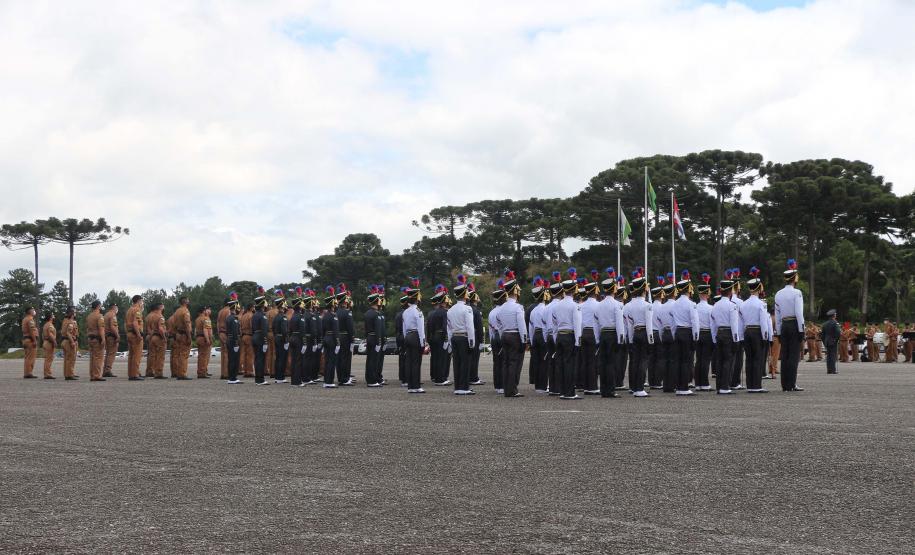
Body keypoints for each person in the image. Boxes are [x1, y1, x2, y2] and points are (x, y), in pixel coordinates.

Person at [550, 268, 583, 400]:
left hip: (560, 336)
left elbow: (554, 325)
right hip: (570, 336)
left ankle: (563, 391)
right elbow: (577, 325)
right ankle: (569, 392)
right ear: (574, 290)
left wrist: (555, 338)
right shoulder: (575, 306)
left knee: (561, 365)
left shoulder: (556, 306)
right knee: (570, 365)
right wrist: (577, 341)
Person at [774, 259, 805, 392]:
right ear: (794, 278)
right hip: (794, 324)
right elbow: (799, 313)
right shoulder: (797, 293)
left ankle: (784, 385)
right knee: (793, 356)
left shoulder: (778, 294)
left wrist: (778, 331)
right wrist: (801, 329)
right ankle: (792, 384)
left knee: (785, 356)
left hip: (784, 326)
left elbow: (778, 314)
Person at [622, 268, 653, 397]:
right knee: (643, 361)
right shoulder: (647, 305)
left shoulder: (627, 305)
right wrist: (651, 340)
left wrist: (629, 339)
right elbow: (649, 324)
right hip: (645, 333)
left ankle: (634, 387)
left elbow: (628, 325)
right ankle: (640, 388)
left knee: (634, 360)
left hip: (634, 333)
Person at [595, 268, 624, 398]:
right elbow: (619, 324)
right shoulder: (617, 305)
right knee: (611, 363)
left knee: (603, 362)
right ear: (614, 289)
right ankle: (611, 390)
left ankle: (603, 390)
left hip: (603, 334)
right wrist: (620, 340)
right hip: (613, 334)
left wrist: (597, 339)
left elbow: (596, 324)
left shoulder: (599, 305)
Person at [740, 267, 771, 393]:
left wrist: (741, 336)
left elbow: (741, 322)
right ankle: (757, 385)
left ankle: (750, 385)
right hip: (758, 332)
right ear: (759, 288)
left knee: (749, 359)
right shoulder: (761, 304)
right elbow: (763, 322)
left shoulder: (743, 304)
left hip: (747, 332)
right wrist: (765, 337)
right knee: (758, 358)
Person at [498, 270, 527, 398]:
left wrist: (502, 333)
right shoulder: (518, 307)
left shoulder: (502, 307)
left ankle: (506, 389)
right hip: (515, 336)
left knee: (506, 363)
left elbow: (498, 322)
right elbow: (522, 325)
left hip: (504, 335)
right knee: (515, 363)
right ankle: (513, 390)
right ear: (515, 291)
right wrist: (524, 340)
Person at [670, 270, 699, 396]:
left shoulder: (674, 304)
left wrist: (673, 334)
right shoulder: (691, 304)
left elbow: (672, 323)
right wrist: (695, 337)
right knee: (686, 361)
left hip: (677, 332)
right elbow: (695, 322)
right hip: (687, 333)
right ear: (688, 288)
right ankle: (684, 387)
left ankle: (678, 386)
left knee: (678, 360)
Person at [446, 274, 476, 395]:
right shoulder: (467, 309)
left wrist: (449, 341)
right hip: (464, 338)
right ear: (464, 294)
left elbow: (448, 327)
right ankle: (464, 387)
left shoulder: (450, 309)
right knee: (465, 363)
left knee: (457, 363)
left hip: (454, 337)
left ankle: (458, 387)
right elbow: (470, 326)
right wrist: (472, 341)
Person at [711, 278, 739, 394]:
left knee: (719, 360)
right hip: (728, 334)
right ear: (730, 291)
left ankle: (719, 386)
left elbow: (712, 323)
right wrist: (736, 340)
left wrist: (714, 338)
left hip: (719, 333)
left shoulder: (715, 305)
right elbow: (734, 324)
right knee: (728, 360)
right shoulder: (732, 305)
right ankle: (725, 386)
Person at [578, 272, 601, 395]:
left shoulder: (581, 306)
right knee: (592, 361)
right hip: (593, 333)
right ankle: (592, 387)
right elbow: (599, 323)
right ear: (595, 291)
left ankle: (585, 385)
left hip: (583, 332)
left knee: (585, 360)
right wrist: (598, 338)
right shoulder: (598, 305)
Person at [401, 278, 426, 393]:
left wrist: (405, 338)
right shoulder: (418, 311)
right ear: (417, 298)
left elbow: (404, 328)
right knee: (416, 362)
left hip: (408, 336)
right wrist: (423, 342)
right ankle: (416, 386)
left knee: (409, 362)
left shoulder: (405, 312)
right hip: (416, 336)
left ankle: (410, 386)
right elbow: (421, 328)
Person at [528, 276, 551, 393]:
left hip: (535, 335)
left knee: (537, 361)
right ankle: (543, 385)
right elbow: (548, 326)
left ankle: (538, 386)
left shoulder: (533, 310)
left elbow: (530, 327)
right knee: (544, 361)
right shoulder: (546, 309)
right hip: (542, 335)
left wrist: (531, 341)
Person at [693, 274, 714, 391]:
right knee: (705, 360)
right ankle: (704, 383)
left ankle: (697, 383)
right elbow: (712, 324)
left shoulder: (695, 306)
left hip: (697, 334)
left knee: (699, 359)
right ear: (707, 294)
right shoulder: (710, 308)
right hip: (707, 334)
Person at [427, 285, 451, 386]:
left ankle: (436, 377)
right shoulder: (445, 312)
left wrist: (430, 337)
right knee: (442, 358)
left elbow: (430, 327)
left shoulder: (433, 313)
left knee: (436, 358)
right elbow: (446, 327)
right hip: (441, 336)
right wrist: (446, 339)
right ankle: (441, 379)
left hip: (434, 337)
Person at [364, 286, 387, 388]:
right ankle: (372, 380)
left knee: (370, 360)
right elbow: (378, 329)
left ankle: (370, 378)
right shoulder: (375, 314)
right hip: (375, 339)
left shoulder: (368, 313)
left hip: (370, 337)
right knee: (374, 360)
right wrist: (379, 342)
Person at [648, 277, 667, 390]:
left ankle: (651, 381)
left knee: (651, 359)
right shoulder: (662, 307)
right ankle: (658, 381)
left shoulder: (649, 306)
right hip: (659, 334)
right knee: (660, 359)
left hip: (651, 333)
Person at [335, 285, 356, 386]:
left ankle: (341, 378)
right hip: (346, 337)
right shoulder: (347, 313)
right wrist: (352, 339)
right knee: (346, 359)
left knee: (339, 359)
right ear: (345, 301)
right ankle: (345, 378)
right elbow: (350, 328)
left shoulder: (336, 312)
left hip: (338, 337)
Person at [321, 287, 342, 388]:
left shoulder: (325, 316)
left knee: (327, 361)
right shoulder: (334, 316)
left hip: (326, 338)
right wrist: (338, 343)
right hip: (332, 339)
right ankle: (329, 382)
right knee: (332, 361)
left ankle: (326, 381)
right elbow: (336, 331)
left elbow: (322, 330)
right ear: (332, 304)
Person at [489, 284, 507, 394]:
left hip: (494, 337)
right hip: (501, 336)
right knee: (504, 361)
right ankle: (502, 385)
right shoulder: (503, 311)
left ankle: (497, 385)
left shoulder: (491, 312)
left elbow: (491, 330)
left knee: (496, 362)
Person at [467, 284, 485, 387]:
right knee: (474, 358)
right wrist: (482, 340)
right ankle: (474, 378)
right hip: (474, 336)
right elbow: (479, 327)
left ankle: (469, 377)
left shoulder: (466, 308)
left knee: (469, 359)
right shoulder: (476, 311)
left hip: (466, 336)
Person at [251, 292, 270, 385]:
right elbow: (264, 330)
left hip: (255, 336)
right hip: (260, 338)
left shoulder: (254, 315)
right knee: (260, 359)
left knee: (257, 359)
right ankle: (260, 379)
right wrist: (265, 342)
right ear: (262, 305)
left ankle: (257, 379)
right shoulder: (262, 316)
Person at [172, 297, 193, 380]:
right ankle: (182, 374)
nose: (189, 301)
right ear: (185, 302)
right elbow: (187, 324)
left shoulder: (177, 311)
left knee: (180, 354)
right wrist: (189, 336)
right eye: (188, 300)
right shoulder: (185, 311)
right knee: (184, 355)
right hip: (184, 334)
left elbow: (173, 324)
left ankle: (179, 373)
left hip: (178, 334)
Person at [145, 302, 167, 379]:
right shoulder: (160, 316)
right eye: (163, 307)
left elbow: (148, 328)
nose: (164, 308)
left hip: (150, 336)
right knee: (160, 356)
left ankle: (150, 371)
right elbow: (161, 329)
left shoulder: (149, 316)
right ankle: (158, 373)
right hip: (158, 337)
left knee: (151, 355)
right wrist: (164, 338)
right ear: (160, 307)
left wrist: (150, 336)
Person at [85, 300, 106, 381]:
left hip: (90, 338)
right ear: (98, 306)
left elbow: (87, 328)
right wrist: (103, 339)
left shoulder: (89, 316)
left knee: (92, 358)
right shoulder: (99, 316)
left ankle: (92, 375)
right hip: (97, 339)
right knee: (98, 358)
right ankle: (97, 375)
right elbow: (101, 329)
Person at [216, 294, 236, 379]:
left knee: (223, 354)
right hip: (227, 333)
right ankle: (227, 373)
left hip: (221, 333)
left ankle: (223, 373)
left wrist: (219, 333)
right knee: (228, 354)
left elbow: (217, 323)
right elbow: (229, 323)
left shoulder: (220, 311)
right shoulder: (228, 311)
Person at [125, 295, 145, 380]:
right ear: (139, 301)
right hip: (135, 334)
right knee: (137, 355)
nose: (142, 303)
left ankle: (131, 374)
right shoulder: (137, 310)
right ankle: (135, 375)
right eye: (142, 301)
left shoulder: (129, 310)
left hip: (129, 334)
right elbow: (135, 323)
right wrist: (139, 335)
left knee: (131, 356)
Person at [289, 295, 307, 387]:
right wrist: (304, 343)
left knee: (294, 360)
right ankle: (297, 382)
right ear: (299, 306)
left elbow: (290, 330)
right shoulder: (301, 316)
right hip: (298, 339)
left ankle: (293, 381)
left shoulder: (292, 316)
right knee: (298, 361)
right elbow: (303, 330)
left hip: (292, 338)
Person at [226, 301, 243, 384]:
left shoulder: (228, 317)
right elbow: (235, 331)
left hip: (229, 339)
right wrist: (236, 342)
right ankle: (233, 378)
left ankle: (231, 377)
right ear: (235, 307)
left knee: (231, 359)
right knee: (234, 360)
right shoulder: (234, 318)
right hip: (233, 340)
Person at [60, 306, 79, 380]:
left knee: (67, 359)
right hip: (69, 341)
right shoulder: (70, 322)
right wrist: (72, 342)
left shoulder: (65, 320)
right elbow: (68, 333)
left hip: (65, 341)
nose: (75, 314)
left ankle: (68, 373)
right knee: (71, 359)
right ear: (71, 313)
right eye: (74, 312)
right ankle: (69, 375)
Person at [194, 306, 213, 378]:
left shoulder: (197, 319)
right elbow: (207, 330)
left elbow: (195, 330)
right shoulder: (205, 319)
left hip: (198, 338)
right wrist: (209, 339)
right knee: (204, 357)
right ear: (203, 311)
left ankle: (200, 371)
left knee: (200, 356)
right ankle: (202, 372)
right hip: (204, 338)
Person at [102, 302, 120, 378]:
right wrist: (117, 335)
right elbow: (113, 327)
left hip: (107, 336)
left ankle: (105, 370)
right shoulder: (112, 315)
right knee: (111, 354)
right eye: (116, 308)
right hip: (112, 337)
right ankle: (107, 370)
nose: (117, 310)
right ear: (114, 308)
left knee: (108, 354)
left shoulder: (106, 315)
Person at [21, 307, 39, 379]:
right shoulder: (30, 319)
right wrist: (34, 340)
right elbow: (31, 331)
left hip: (26, 339)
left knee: (27, 357)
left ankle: (26, 373)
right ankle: (29, 373)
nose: (34, 311)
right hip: (30, 340)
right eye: (33, 310)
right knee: (31, 358)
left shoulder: (25, 319)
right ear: (30, 311)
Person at [395, 292, 408, 386]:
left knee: (402, 357)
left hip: (399, 336)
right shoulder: (407, 314)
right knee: (407, 358)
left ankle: (402, 376)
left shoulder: (398, 314)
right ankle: (406, 378)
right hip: (405, 336)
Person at [822, 309, 840, 374]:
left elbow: (822, 334)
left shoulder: (825, 324)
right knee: (833, 356)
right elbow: (838, 332)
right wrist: (836, 340)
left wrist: (824, 341)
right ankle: (833, 370)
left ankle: (829, 370)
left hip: (827, 341)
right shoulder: (835, 323)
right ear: (834, 315)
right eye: (835, 314)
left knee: (828, 356)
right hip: (833, 341)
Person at [239, 302, 254, 378]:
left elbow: (240, 327)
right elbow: (252, 327)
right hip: (249, 336)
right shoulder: (251, 316)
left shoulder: (243, 316)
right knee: (250, 355)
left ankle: (245, 371)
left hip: (243, 336)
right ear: (251, 308)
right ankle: (249, 371)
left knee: (244, 354)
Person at [40, 311, 57, 379]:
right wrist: (54, 341)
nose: (53, 316)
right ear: (50, 317)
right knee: (49, 359)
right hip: (49, 343)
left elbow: (42, 335)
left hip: (46, 342)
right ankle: (47, 374)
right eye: (52, 315)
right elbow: (50, 334)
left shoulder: (45, 324)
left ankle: (47, 373)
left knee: (48, 359)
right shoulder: (50, 325)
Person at [767, 307, 779, 379]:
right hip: (776, 337)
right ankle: (774, 369)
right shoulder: (775, 318)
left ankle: (770, 368)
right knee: (775, 355)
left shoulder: (769, 317)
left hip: (769, 337)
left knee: (770, 354)